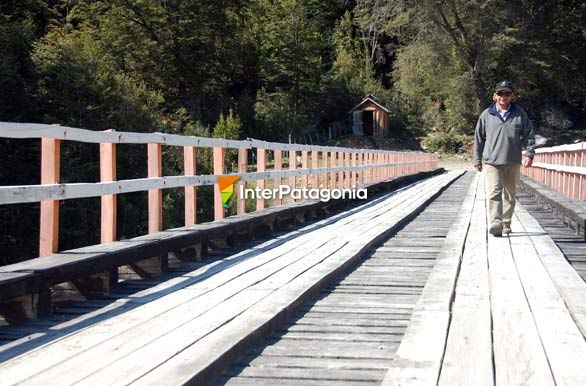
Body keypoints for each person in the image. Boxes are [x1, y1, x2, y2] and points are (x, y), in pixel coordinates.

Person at [474, 80, 535, 236]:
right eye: (500, 93)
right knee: (494, 192)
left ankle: (506, 223)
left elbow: (528, 134)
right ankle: (495, 223)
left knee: (510, 195)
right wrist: (477, 159)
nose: (503, 96)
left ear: (512, 96)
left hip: (513, 161)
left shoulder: (519, 113)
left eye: (507, 93)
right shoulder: (486, 115)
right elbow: (479, 138)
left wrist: (529, 153)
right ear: (494, 96)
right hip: (492, 161)